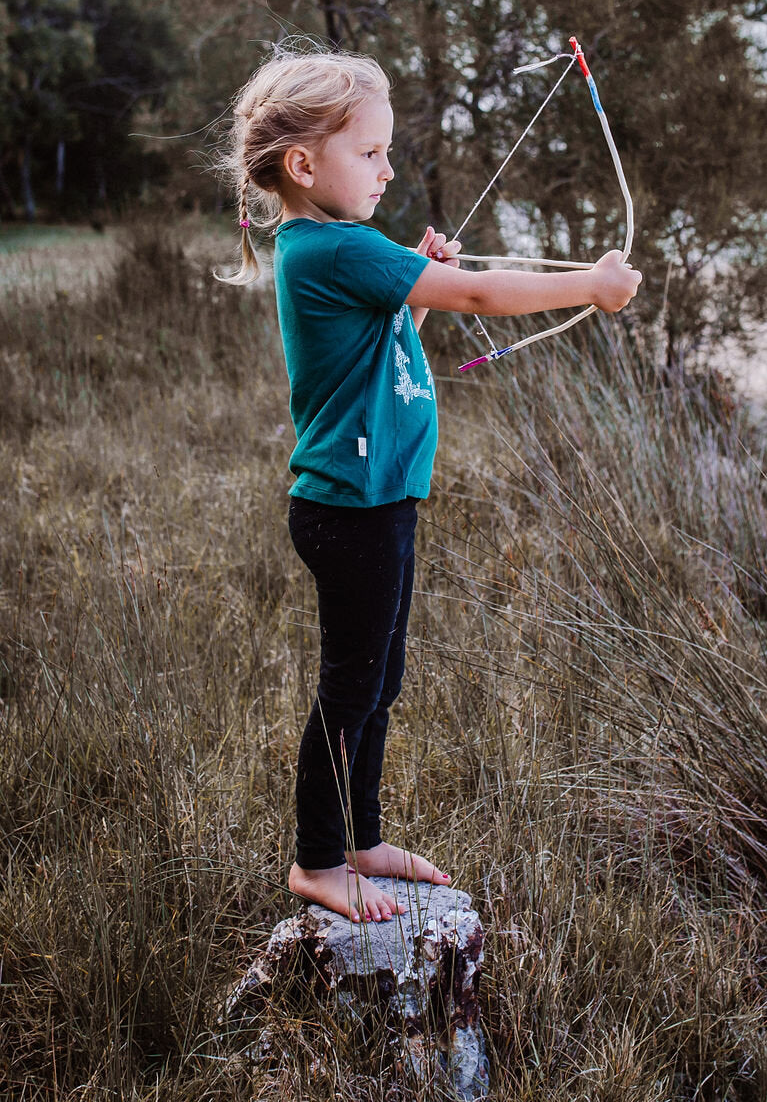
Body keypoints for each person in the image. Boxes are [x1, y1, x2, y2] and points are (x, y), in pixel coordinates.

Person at [219, 49, 641, 924]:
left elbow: (385, 340)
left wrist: (410, 284)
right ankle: (317, 863)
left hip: (380, 503)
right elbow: (482, 296)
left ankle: (362, 839)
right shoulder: (335, 248)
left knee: (380, 681)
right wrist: (592, 287)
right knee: (348, 688)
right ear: (304, 166)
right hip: (351, 511)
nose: (388, 167)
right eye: (370, 153)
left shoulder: (340, 254)